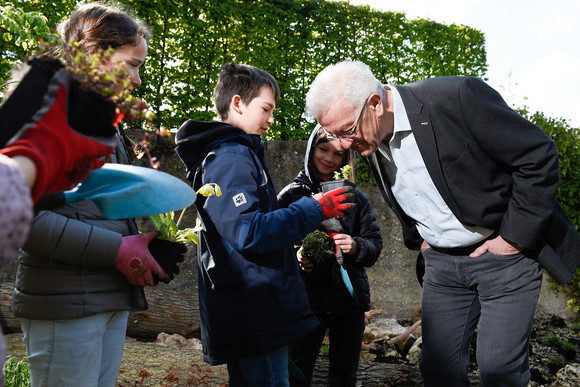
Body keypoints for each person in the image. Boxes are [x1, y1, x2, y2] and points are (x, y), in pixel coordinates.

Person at [304, 60, 580, 387]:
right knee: (437, 371)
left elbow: (538, 156)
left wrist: (513, 239)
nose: (345, 146)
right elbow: (406, 190)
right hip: (441, 266)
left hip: (504, 259)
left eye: (347, 131)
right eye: (334, 135)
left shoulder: (456, 97)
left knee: (499, 373)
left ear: (375, 104)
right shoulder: (368, 135)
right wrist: (420, 237)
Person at [7, 3, 173, 386]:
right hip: (65, 303)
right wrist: (116, 250)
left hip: (106, 298)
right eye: (131, 64)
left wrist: (140, 245)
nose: (136, 80)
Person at [174, 63, 355, 386]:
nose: (271, 120)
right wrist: (313, 209)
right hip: (254, 312)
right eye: (266, 109)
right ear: (238, 103)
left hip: (249, 309)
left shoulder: (239, 153)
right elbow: (249, 231)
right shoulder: (231, 158)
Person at [277, 125, 382, 386]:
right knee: (295, 375)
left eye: (338, 154)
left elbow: (374, 243)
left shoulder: (355, 197)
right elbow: (273, 243)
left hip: (349, 300)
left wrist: (356, 245)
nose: (329, 159)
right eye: (323, 149)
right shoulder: (291, 195)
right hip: (304, 300)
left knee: (344, 377)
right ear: (311, 149)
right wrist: (296, 255)